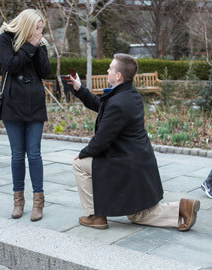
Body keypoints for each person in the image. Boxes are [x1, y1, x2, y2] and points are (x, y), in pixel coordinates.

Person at [70, 53, 200, 231]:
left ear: (118, 76)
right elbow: (102, 106)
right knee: (137, 214)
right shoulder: (129, 95)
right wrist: (80, 89)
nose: (107, 70)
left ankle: (95, 216)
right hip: (138, 160)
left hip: (125, 165)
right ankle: (182, 208)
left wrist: (82, 154)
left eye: (110, 68)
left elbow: (101, 141)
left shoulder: (118, 103)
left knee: (79, 165)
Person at [0, 9, 51, 221]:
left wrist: (37, 47)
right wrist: (29, 45)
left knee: (34, 153)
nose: (40, 31)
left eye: (41, 28)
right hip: (12, 103)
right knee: (18, 154)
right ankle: (18, 201)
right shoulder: (6, 38)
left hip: (35, 103)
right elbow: (10, 64)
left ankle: (39, 201)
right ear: (27, 25)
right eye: (37, 27)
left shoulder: (41, 43)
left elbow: (44, 71)